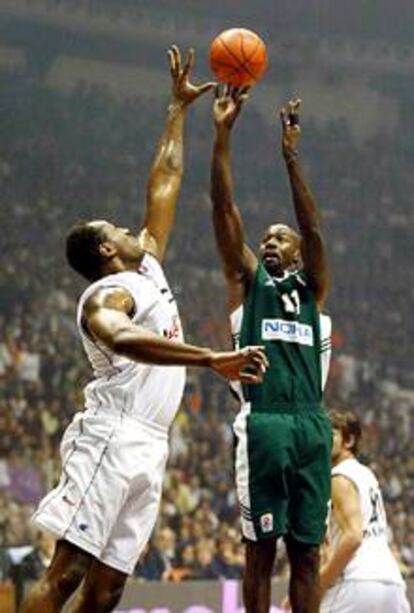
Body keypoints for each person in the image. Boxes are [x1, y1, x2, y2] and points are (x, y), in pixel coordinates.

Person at [22, 48, 268, 613]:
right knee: (66, 574)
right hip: (111, 433)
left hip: (150, 444)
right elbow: (121, 337)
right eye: (118, 228)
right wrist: (208, 358)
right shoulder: (104, 295)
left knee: (108, 592)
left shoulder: (147, 266)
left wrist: (178, 111)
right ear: (107, 250)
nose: (134, 226)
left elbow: (166, 178)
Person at [210, 86, 332, 613]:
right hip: (265, 421)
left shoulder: (313, 288)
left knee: (307, 554)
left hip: (311, 422)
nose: (268, 243)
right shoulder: (248, 282)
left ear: (299, 252)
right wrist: (223, 134)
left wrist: (291, 159)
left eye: (279, 239)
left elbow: (314, 225)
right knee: (260, 549)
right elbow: (223, 207)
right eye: (264, 239)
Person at [319, 410, 411, 612]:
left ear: (349, 440)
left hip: (356, 581)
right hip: (391, 583)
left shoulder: (339, 476)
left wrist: (318, 586)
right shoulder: (366, 474)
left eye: (331, 433)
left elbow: (353, 538)